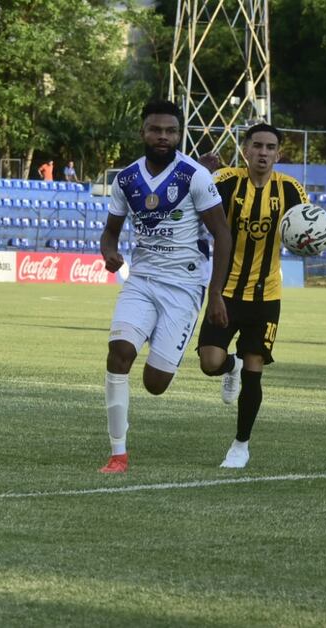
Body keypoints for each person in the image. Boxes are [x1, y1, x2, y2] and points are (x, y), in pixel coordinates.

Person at [98, 100, 231, 474]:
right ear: (142, 132)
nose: (163, 137)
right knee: (119, 352)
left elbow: (222, 234)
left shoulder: (195, 176)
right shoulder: (125, 179)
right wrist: (109, 253)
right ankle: (118, 454)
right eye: (156, 130)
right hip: (142, 280)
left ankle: (229, 365)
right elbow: (111, 232)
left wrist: (216, 292)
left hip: (185, 286)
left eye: (171, 131)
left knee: (155, 384)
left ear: (179, 135)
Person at [196, 123, 309, 469]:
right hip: (226, 292)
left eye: (270, 147)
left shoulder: (291, 189)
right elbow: (196, 206)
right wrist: (202, 173)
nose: (263, 152)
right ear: (245, 149)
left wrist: (311, 241)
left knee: (256, 369)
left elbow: (309, 226)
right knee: (209, 362)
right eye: (257, 145)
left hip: (266, 296)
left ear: (278, 153)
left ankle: (240, 445)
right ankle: (232, 365)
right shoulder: (226, 182)